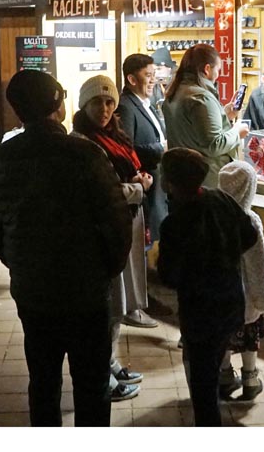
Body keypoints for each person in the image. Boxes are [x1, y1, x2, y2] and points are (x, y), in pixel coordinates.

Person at [0, 69, 131, 427]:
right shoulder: (85, 154)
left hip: (33, 291)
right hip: (86, 290)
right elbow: (117, 222)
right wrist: (105, 269)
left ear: (18, 111)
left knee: (43, 382)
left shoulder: (1, 159)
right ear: (59, 105)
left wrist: (18, 257)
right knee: (92, 385)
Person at [156, 148, 256, 426]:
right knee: (214, 362)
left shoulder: (174, 224)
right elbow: (249, 234)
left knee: (202, 382)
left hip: (199, 312)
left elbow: (167, 275)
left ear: (170, 182)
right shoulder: (221, 199)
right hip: (230, 301)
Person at [71, 74, 151, 402]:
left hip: (124, 224)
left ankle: (109, 361)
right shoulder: (83, 143)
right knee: (111, 303)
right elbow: (102, 193)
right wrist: (139, 187)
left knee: (119, 301)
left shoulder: (111, 136)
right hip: (107, 231)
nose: (104, 109)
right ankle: (102, 374)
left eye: (109, 102)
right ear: (83, 105)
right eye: (96, 102)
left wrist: (137, 178)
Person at [116, 53, 167, 328]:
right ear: (131, 78)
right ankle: (136, 302)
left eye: (153, 75)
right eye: (148, 76)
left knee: (146, 242)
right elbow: (129, 148)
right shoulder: (126, 106)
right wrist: (161, 149)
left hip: (154, 185)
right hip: (141, 187)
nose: (153, 81)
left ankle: (145, 297)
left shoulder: (147, 103)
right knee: (140, 243)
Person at [216, 160, 264, 401]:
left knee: (224, 337)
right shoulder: (251, 220)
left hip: (221, 296)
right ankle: (250, 378)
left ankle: (225, 376)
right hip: (247, 295)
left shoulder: (213, 216)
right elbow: (259, 264)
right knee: (250, 337)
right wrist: (263, 299)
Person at [163, 43, 249, 188]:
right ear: (207, 69)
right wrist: (237, 132)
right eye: (218, 69)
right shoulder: (201, 97)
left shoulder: (175, 92)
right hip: (206, 180)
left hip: (182, 178)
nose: (218, 75)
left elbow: (192, 129)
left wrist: (224, 115)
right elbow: (214, 145)